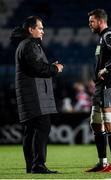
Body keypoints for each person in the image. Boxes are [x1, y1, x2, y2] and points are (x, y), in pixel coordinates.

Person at [11, 16, 64, 174]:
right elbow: (37, 68)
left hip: (30, 95)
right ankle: (38, 165)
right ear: (31, 29)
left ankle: (32, 165)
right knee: (42, 128)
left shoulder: (25, 44)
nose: (43, 31)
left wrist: (49, 66)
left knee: (31, 131)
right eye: (40, 28)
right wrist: (55, 69)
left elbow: (36, 66)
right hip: (35, 96)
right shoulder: (29, 44)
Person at [85, 9, 111, 173]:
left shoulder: (109, 35)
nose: (89, 24)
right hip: (100, 87)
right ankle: (102, 163)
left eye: (92, 21)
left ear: (101, 21)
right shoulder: (102, 38)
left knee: (110, 123)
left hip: (110, 85)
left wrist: (107, 68)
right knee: (95, 124)